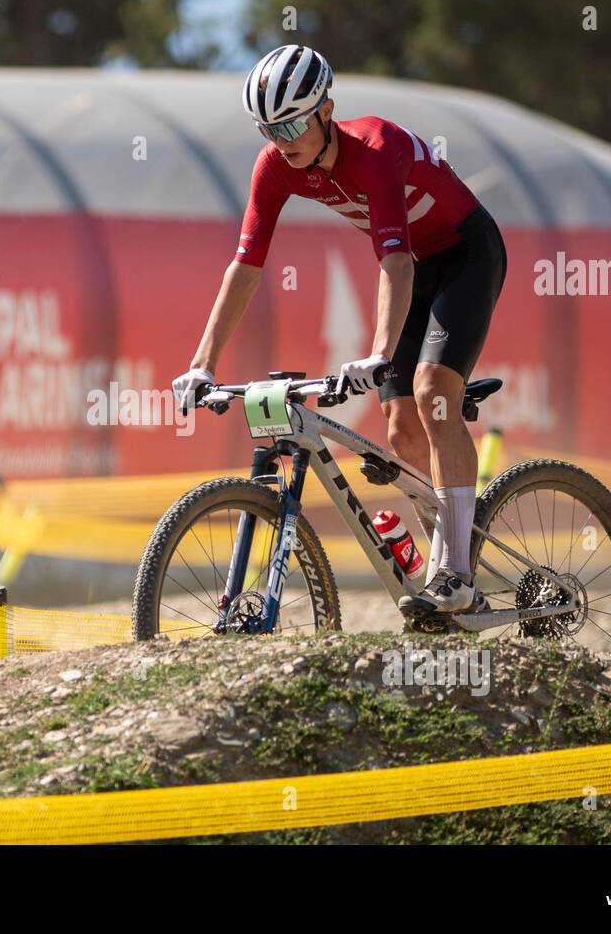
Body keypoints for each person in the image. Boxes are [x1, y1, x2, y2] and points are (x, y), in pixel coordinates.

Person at [172, 44, 508, 618]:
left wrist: (378, 352)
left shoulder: (375, 149)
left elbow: (395, 262)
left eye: (295, 123)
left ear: (327, 110)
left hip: (465, 253)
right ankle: (451, 551)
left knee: (432, 394)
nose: (283, 139)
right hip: (417, 269)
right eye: (269, 128)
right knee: (400, 430)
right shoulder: (275, 165)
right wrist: (202, 362)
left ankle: (458, 573)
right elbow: (245, 267)